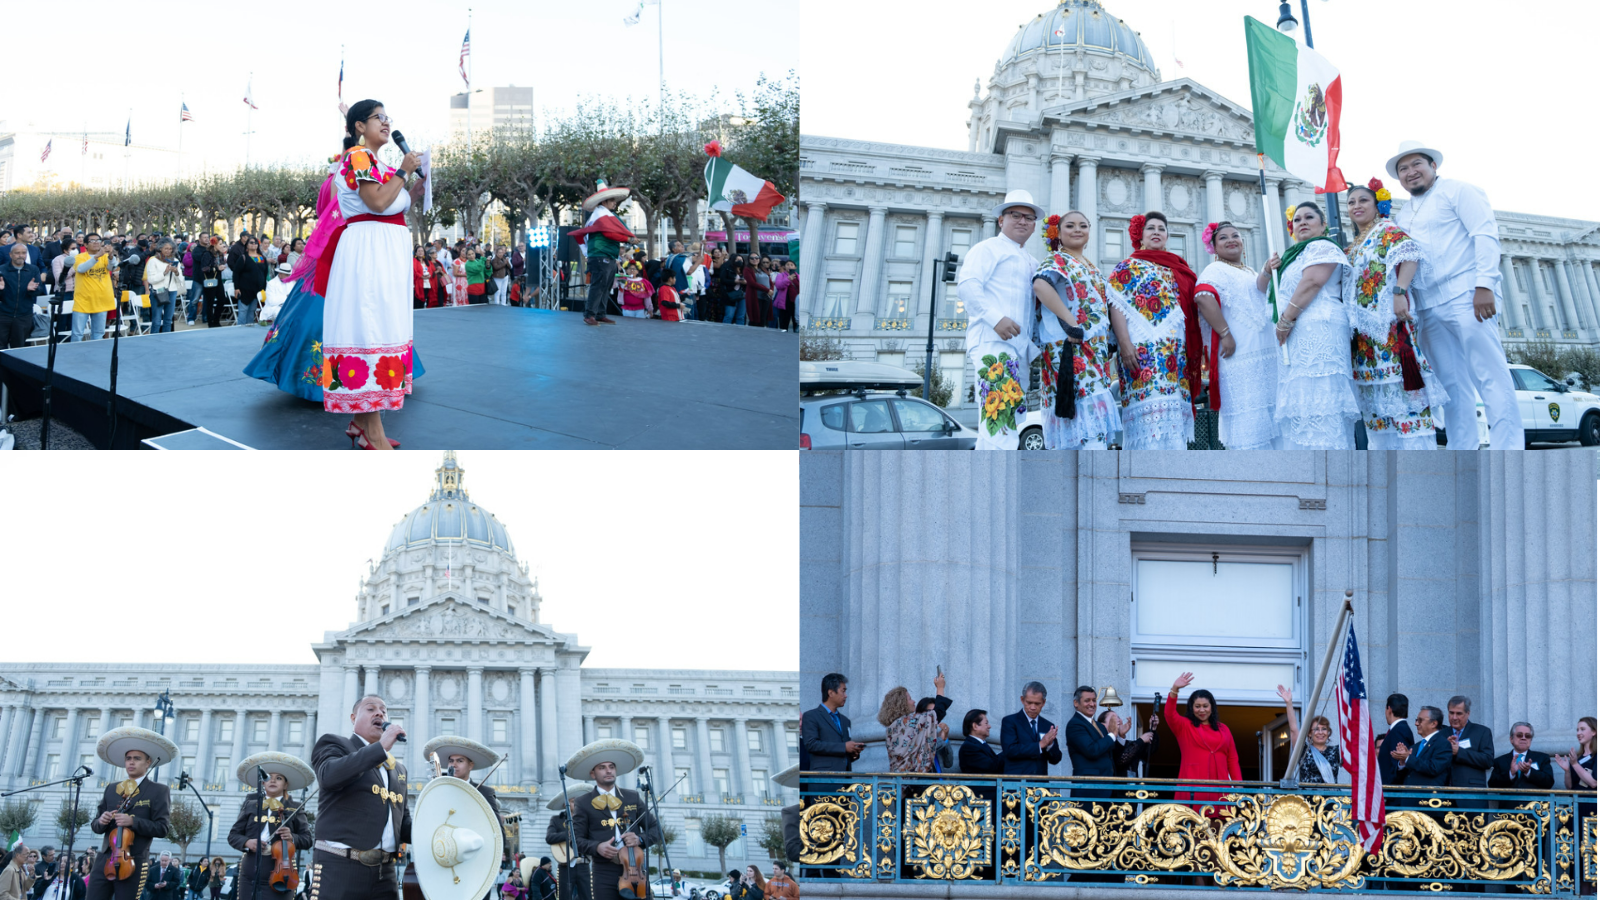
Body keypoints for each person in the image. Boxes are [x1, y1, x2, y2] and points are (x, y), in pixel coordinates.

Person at [1387, 140, 1523, 449]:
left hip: (1467, 295)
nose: (1411, 173)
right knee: (1451, 387)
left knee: (1490, 378)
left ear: (1433, 166)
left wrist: (1484, 284)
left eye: (1416, 165)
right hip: (1428, 308)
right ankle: (1463, 456)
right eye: (1403, 169)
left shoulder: (1460, 191)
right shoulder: (1403, 215)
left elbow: (1484, 234)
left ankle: (1509, 453)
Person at [315, 100, 425, 450]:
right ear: (359, 126)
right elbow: (376, 203)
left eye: (387, 117)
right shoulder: (357, 157)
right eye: (379, 117)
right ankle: (372, 432)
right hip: (368, 254)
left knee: (381, 326)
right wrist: (405, 172)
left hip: (384, 254)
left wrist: (416, 186)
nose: (386, 122)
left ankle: (360, 424)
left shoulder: (379, 163)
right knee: (371, 329)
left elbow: (391, 201)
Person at [1343, 178, 1447, 448]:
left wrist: (1399, 292)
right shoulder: (1356, 243)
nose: (1356, 206)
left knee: (1403, 399)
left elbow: (1410, 253)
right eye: (1351, 202)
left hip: (1389, 327)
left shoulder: (1386, 229)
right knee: (1377, 407)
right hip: (1364, 339)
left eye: (1363, 200)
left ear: (1379, 205)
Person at [1106, 212, 1201, 449]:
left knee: (1172, 418)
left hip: (1175, 355)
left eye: (1161, 228)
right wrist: (1124, 345)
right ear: (1141, 235)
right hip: (1140, 353)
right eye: (1151, 228)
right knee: (1147, 424)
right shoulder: (1128, 266)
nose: (1156, 232)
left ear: (1167, 235)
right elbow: (1116, 306)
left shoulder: (1179, 268)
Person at [1270, 202, 1361, 449]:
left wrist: (1285, 320)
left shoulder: (1322, 247)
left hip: (1320, 331)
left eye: (1309, 217)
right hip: (1297, 335)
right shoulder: (1295, 255)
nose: (1302, 222)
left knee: (1321, 401)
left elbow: (1311, 282)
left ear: (1323, 225)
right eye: (1297, 219)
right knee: (1303, 405)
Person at [960, 190, 1044, 449]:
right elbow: (967, 286)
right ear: (1001, 220)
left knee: (1010, 421)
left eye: (1029, 217)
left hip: (1019, 351)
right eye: (1015, 215)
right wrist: (995, 319)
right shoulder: (987, 249)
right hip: (993, 344)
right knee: (996, 419)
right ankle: (993, 483)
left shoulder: (1032, 262)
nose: (1022, 221)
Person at [309, 694, 413, 900]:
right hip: (341, 868)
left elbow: (402, 823)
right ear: (353, 718)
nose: (379, 713)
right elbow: (329, 776)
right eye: (370, 708)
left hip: (385, 873)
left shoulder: (398, 769)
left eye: (383, 711)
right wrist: (380, 748)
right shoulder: (335, 744)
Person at [1032, 211, 1120, 449]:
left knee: (1092, 425)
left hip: (1093, 352)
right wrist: (1072, 323)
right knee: (1080, 419)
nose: (1077, 229)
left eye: (1083, 225)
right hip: (1070, 348)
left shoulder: (1089, 266)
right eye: (1070, 226)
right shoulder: (1057, 260)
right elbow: (1041, 284)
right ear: (1057, 233)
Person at [1194, 221, 1280, 450]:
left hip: (1264, 354)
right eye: (1223, 237)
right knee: (1249, 418)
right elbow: (1203, 296)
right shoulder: (1214, 270)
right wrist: (1225, 333)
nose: (1231, 240)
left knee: (1269, 417)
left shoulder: (1247, 271)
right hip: (1240, 356)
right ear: (1213, 246)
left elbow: (1259, 289)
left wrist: (1266, 270)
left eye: (1235, 235)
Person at [86, 728, 176, 900]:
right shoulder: (112, 788)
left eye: (137, 759)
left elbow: (162, 828)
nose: (131, 763)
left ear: (148, 762)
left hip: (133, 861)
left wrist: (132, 821)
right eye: (128, 759)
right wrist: (102, 821)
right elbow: (95, 825)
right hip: (104, 859)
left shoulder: (158, 791)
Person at [566, 740, 660, 900]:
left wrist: (639, 839)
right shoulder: (583, 802)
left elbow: (656, 830)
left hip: (636, 869)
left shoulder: (632, 797)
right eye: (602, 767)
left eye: (611, 767)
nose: (608, 771)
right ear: (593, 774)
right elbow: (574, 840)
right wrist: (597, 847)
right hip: (603, 872)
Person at [227, 752, 314, 897]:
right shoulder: (250, 804)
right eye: (268, 777)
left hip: (282, 872)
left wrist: (292, 837)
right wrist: (247, 842)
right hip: (250, 872)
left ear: (286, 784)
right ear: (262, 782)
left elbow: (307, 839)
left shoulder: (295, 807)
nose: (273, 781)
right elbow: (233, 836)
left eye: (278, 778)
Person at [421, 735, 511, 868]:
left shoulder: (485, 793)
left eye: (460, 761)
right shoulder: (438, 790)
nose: (454, 765)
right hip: (444, 860)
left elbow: (497, 831)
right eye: (451, 761)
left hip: (474, 862)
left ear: (471, 765)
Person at [1163, 672, 1240, 812]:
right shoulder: (1184, 726)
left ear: (1212, 707)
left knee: (1221, 829)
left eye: (1205, 706)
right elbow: (1169, 714)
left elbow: (1232, 760)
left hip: (1221, 791)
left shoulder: (1224, 729)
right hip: (1193, 789)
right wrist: (1174, 690)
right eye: (1197, 706)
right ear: (1192, 708)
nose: (1202, 710)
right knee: (1193, 829)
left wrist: (1239, 787)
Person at [569, 186, 633, 326]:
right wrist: (628, 239)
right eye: (612, 200)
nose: (614, 203)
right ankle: (590, 314)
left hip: (607, 256)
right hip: (599, 256)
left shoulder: (605, 217)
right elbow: (609, 234)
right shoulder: (601, 217)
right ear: (603, 202)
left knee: (606, 286)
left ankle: (600, 314)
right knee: (598, 286)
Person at [880, 672, 950, 773]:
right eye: (910, 698)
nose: (914, 702)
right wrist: (940, 687)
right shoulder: (905, 723)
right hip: (914, 782)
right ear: (901, 704)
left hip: (902, 781)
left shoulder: (894, 726)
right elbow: (937, 713)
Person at [1274, 684, 1341, 784]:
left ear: (1328, 732)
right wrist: (1289, 703)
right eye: (1316, 729)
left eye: (1324, 729)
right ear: (1309, 734)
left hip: (1331, 798)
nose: (1320, 732)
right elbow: (1293, 730)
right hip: (1309, 799)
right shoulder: (1304, 751)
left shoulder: (1335, 751)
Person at [802, 673, 863, 772]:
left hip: (845, 780)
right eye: (843, 691)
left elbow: (842, 754)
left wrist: (854, 753)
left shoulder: (845, 721)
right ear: (831, 693)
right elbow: (811, 744)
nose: (846, 696)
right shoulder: (811, 716)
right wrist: (844, 747)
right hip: (824, 779)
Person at [1001, 682, 1062, 775]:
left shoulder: (1047, 725)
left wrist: (1050, 745)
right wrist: (1040, 745)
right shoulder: (1010, 721)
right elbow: (1010, 750)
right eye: (1029, 703)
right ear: (1022, 699)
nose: (1033, 707)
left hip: (1040, 785)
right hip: (1016, 783)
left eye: (1037, 704)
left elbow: (1055, 759)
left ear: (1044, 703)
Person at [543, 785, 591, 900]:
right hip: (565, 866)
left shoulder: (586, 820)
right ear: (565, 805)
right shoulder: (556, 819)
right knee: (565, 897)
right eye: (574, 801)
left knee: (587, 896)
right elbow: (549, 838)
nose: (577, 804)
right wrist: (567, 835)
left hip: (583, 864)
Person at [1062, 685, 1117, 780]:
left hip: (1107, 785)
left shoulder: (1099, 726)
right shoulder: (1075, 725)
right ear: (1076, 703)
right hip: (1088, 786)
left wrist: (1121, 734)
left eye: (1094, 700)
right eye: (1087, 701)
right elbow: (1092, 750)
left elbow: (1109, 752)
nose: (1092, 704)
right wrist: (1112, 735)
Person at [70, 234, 117, 342]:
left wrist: (110, 256)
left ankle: (96, 356)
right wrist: (96, 257)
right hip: (83, 301)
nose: (96, 242)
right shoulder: (79, 257)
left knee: (98, 333)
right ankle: (74, 357)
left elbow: (111, 267)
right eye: (92, 240)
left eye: (98, 240)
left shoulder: (105, 257)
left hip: (101, 300)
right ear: (85, 244)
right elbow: (81, 269)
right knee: (77, 334)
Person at [1391, 705, 1452, 788]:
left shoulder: (1443, 744)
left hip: (1428, 798)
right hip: (1409, 797)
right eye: (1416, 720)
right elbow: (1404, 778)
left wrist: (1408, 758)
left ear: (1433, 723)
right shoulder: (1415, 747)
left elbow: (1434, 768)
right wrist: (1402, 763)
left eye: (1420, 720)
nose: (1416, 724)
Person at [1445, 695, 1495, 788]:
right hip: (1445, 794)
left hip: (1471, 792)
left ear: (1468, 713)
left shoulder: (1482, 732)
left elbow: (1488, 761)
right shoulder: (1441, 734)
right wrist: (1444, 748)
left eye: (1459, 713)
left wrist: (1459, 752)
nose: (1454, 717)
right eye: (1451, 713)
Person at [1487, 722, 1554, 790]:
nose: (1523, 738)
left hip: (1534, 800)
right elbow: (1492, 785)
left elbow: (1549, 782)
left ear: (1530, 740)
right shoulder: (1500, 761)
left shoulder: (1542, 758)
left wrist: (1529, 772)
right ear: (1511, 739)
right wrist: (1511, 773)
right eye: (1519, 735)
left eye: (1527, 736)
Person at [1097, 706, 1159, 779]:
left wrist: (1153, 728)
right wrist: (1140, 740)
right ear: (1103, 725)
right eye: (1113, 718)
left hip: (1132, 788)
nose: (1118, 720)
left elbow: (1149, 750)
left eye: (1118, 717)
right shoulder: (1102, 744)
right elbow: (1120, 760)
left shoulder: (1130, 745)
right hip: (1115, 788)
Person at [0, 243, 42, 350]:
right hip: (3, 315)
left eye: (23, 253)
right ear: (10, 255)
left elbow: (39, 290)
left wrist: (31, 290)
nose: (20, 255)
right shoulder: (2, 270)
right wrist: (1, 289)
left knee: (19, 348)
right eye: (17, 253)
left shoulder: (33, 270)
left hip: (24, 316)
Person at [142, 241, 185, 334]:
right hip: (158, 291)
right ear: (160, 248)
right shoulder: (153, 260)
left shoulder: (175, 260)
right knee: (157, 321)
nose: (168, 251)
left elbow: (181, 280)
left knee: (168, 320)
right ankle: (154, 339)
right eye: (166, 248)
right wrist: (164, 273)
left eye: (170, 249)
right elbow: (151, 279)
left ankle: (166, 340)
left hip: (172, 291)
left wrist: (176, 272)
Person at [1377, 694, 1415, 787]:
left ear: (1389, 709)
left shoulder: (1399, 730)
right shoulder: (1399, 729)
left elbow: (1397, 764)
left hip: (1393, 793)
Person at [231, 236, 270, 325]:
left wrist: (263, 288)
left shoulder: (262, 258)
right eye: (251, 242)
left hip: (257, 290)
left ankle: (248, 333)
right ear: (247, 245)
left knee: (252, 311)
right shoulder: (243, 257)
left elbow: (265, 274)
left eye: (255, 242)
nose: (253, 244)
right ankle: (240, 332)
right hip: (244, 289)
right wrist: (236, 288)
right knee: (243, 311)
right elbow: (236, 273)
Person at [957, 709, 1004, 774]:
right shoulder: (969, 747)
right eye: (986, 723)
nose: (989, 726)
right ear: (975, 726)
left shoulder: (980, 744)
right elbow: (990, 766)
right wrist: (1009, 751)